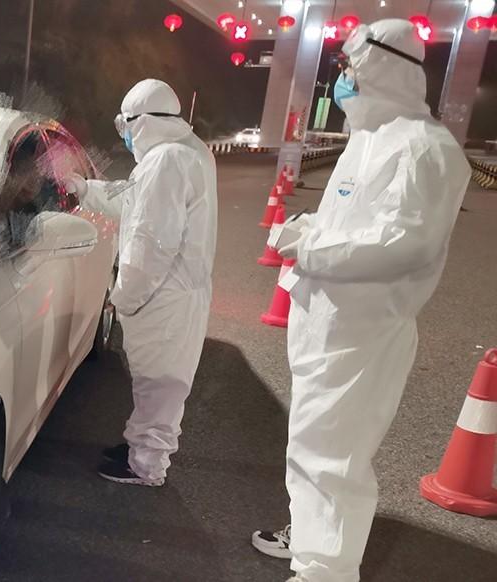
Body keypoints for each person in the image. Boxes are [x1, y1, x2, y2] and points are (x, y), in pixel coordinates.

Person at [251, 20, 471, 582]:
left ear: (382, 66)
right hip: (326, 322)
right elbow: (349, 223)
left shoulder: (425, 148)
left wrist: (310, 247)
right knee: (311, 447)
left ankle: (324, 571)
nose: (344, 77)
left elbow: (405, 244)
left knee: (334, 458)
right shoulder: (369, 138)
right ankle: (310, 541)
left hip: (363, 334)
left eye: (351, 66)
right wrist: (307, 230)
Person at [67, 79, 218, 487]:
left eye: (126, 125)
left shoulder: (167, 161)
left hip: (161, 294)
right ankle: (142, 451)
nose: (126, 134)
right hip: (175, 291)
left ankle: (146, 466)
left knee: (158, 383)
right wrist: (85, 190)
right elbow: (133, 201)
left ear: (143, 121)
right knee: (160, 383)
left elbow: (150, 242)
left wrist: (125, 296)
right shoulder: (185, 150)